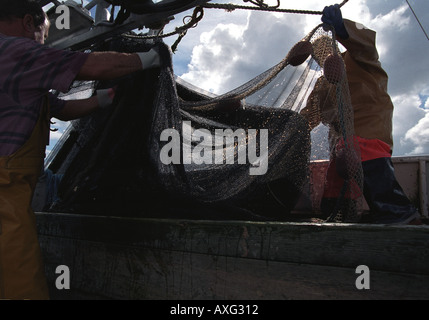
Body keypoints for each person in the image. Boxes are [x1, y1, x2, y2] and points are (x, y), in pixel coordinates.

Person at [0, 0, 162, 299]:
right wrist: (150, 59)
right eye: (43, 36)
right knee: (19, 283)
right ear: (27, 23)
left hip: (12, 193)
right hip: (4, 195)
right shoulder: (14, 49)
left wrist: (105, 98)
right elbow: (90, 66)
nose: (42, 44)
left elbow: (59, 109)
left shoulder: (14, 69)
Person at [301, 4, 422, 225]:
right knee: (336, 179)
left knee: (364, 156)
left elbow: (365, 43)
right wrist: (289, 130)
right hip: (340, 143)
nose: (323, 57)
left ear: (336, 45)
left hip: (370, 129)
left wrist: (342, 28)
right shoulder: (321, 85)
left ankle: (399, 213)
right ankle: (336, 218)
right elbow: (309, 116)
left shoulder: (359, 58)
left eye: (326, 51)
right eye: (318, 56)